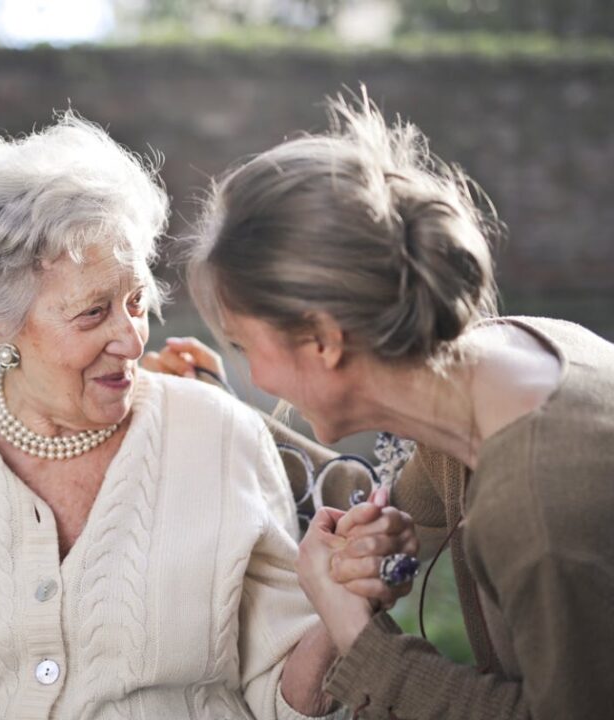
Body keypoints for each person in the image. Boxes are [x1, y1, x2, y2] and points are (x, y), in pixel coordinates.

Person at [0, 113, 414, 719]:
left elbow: (281, 694)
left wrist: (340, 605)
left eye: (136, 300)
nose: (131, 338)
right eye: (92, 314)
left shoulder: (221, 436)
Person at [173, 91, 614, 719]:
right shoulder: (501, 362)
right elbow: (400, 509)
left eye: (246, 346)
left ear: (323, 339)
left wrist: (359, 636)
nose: (258, 377)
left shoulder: (538, 506)